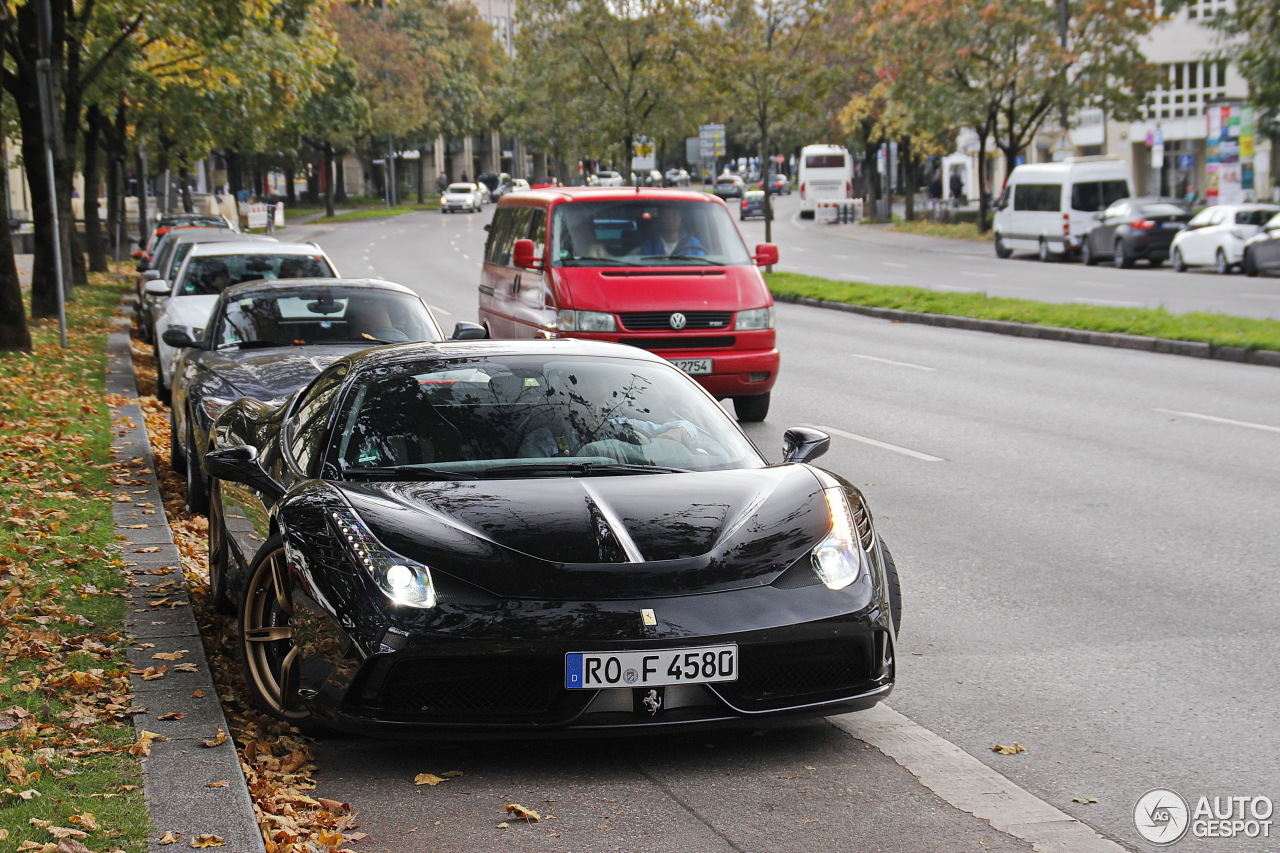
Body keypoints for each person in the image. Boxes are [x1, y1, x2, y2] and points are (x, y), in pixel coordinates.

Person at [635, 206, 705, 257]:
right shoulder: (650, 245)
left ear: (680, 218)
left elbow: (702, 265)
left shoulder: (693, 243)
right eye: (666, 216)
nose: (670, 220)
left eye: (674, 216)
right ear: (660, 219)